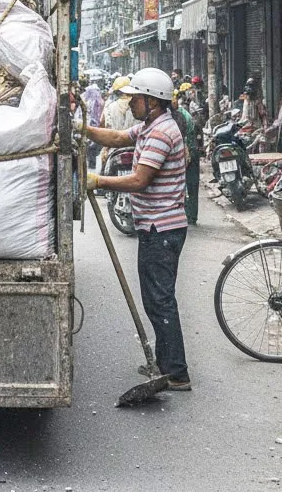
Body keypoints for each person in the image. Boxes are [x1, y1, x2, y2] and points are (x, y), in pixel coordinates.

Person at [83, 67, 191, 391]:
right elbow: (116, 137)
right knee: (156, 298)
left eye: (135, 99)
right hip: (155, 226)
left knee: (160, 299)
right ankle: (166, 363)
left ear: (152, 102)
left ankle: (176, 372)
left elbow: (139, 180)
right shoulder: (149, 126)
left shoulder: (161, 133)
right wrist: (81, 129)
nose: (129, 104)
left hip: (163, 228)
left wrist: (98, 180)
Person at [172, 86, 199, 226]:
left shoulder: (184, 116)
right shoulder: (170, 116)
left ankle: (191, 215)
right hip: (182, 154)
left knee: (191, 185)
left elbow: (189, 135)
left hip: (189, 153)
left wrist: (188, 153)